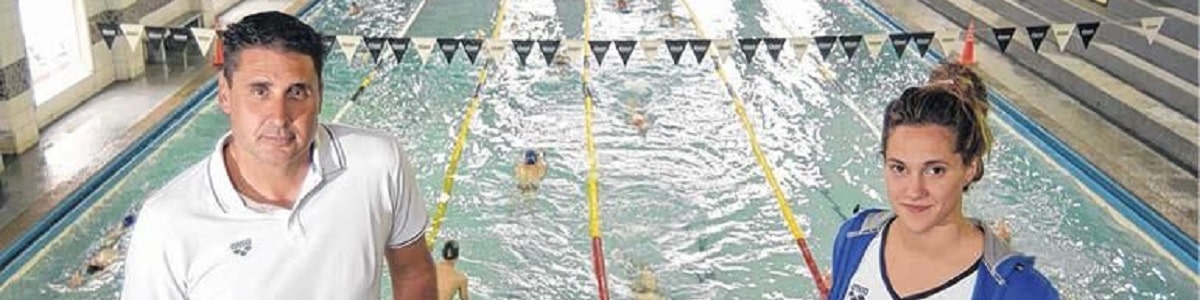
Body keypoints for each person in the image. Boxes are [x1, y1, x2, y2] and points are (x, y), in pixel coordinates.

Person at [120, 12, 436, 299]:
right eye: (260, 91)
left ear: (320, 95)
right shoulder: (167, 222)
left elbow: (413, 272)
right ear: (225, 95)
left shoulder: (377, 163)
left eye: (297, 92)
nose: (279, 116)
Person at [827, 63, 1058, 299]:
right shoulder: (855, 237)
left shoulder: (1020, 290)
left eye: (935, 170)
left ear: (970, 168)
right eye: (899, 168)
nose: (914, 190)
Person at [66, 215, 136, 289]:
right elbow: (100, 274)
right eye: (96, 259)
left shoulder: (108, 244)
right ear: (105, 264)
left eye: (94, 257)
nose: (94, 256)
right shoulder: (120, 255)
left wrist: (78, 274)